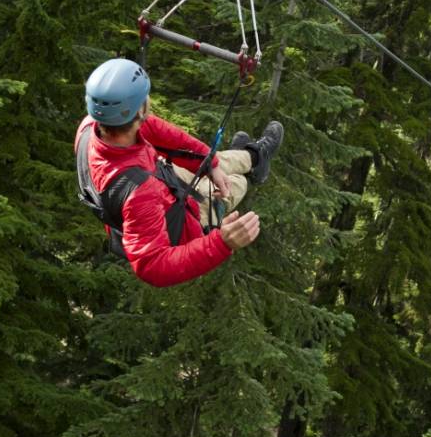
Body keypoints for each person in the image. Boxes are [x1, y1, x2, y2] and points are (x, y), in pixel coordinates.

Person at [74, 58, 283, 287]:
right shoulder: (140, 194)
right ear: (140, 110)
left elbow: (156, 129)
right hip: (182, 224)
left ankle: (251, 156)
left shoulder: (89, 128)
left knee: (219, 163)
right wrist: (222, 243)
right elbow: (152, 266)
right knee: (236, 183)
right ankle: (254, 164)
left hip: (161, 183)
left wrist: (210, 162)